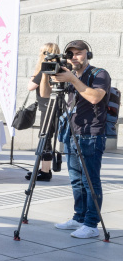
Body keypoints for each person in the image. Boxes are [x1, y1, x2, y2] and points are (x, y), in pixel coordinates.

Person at [42, 40, 111, 239]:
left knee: (90, 181)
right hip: (71, 133)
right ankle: (79, 217)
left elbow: (95, 97)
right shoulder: (67, 74)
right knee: (76, 181)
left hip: (92, 134)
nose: (74, 57)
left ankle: (91, 224)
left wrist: (72, 79)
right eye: (70, 54)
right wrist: (46, 73)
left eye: (78, 53)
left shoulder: (99, 74)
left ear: (88, 54)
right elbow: (45, 94)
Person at [24, 42, 60, 182]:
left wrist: (35, 74)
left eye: (41, 52)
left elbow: (30, 87)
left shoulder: (45, 70)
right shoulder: (58, 68)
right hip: (52, 107)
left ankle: (45, 172)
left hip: (47, 108)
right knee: (46, 138)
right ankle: (45, 169)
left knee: (45, 139)